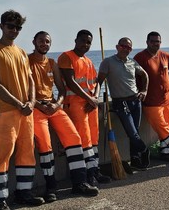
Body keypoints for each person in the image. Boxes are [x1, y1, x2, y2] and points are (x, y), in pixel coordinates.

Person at [0, 10, 45, 210]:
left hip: (26, 113)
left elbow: (30, 81)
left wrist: (32, 102)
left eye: (18, 27)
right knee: (3, 155)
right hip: (6, 112)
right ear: (1, 26)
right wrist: (20, 104)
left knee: (27, 153)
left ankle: (23, 194)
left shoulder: (22, 53)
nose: (14, 30)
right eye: (10, 26)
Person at [29, 31, 99, 201]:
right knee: (45, 145)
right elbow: (23, 89)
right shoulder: (26, 61)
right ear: (34, 42)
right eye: (41, 41)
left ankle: (79, 183)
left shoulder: (52, 63)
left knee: (74, 138)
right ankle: (51, 187)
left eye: (47, 41)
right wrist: (39, 105)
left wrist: (57, 103)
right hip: (37, 108)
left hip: (54, 106)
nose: (44, 44)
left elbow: (61, 88)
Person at [58, 30, 111, 186]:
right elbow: (70, 82)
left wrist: (94, 98)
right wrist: (89, 98)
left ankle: (95, 170)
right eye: (83, 41)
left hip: (90, 104)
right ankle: (88, 174)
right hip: (75, 104)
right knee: (84, 139)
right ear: (76, 40)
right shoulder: (66, 57)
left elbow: (96, 82)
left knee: (94, 138)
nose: (85, 45)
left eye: (88, 42)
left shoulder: (88, 61)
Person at [98, 37, 151, 170]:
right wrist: (94, 97)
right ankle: (144, 150)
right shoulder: (108, 62)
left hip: (135, 100)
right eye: (123, 46)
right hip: (120, 102)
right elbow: (99, 81)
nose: (125, 49)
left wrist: (144, 90)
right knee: (132, 132)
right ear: (117, 47)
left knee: (135, 132)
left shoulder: (132, 62)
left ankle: (135, 160)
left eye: (128, 47)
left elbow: (145, 75)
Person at [133, 31, 169, 161]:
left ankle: (166, 153)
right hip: (151, 101)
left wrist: (168, 79)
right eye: (152, 41)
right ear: (147, 42)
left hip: (166, 99)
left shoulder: (164, 55)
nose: (155, 44)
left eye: (157, 41)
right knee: (162, 127)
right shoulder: (140, 57)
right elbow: (132, 75)